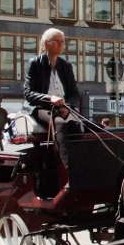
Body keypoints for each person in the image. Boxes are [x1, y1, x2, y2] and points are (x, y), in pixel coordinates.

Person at [23, 27, 83, 189]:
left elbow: (74, 94)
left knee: (83, 125)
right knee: (59, 124)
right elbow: (28, 93)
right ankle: (67, 169)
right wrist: (50, 98)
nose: (61, 45)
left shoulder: (66, 66)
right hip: (43, 108)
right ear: (47, 44)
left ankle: (84, 165)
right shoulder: (35, 63)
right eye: (57, 41)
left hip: (64, 108)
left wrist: (68, 106)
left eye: (63, 41)